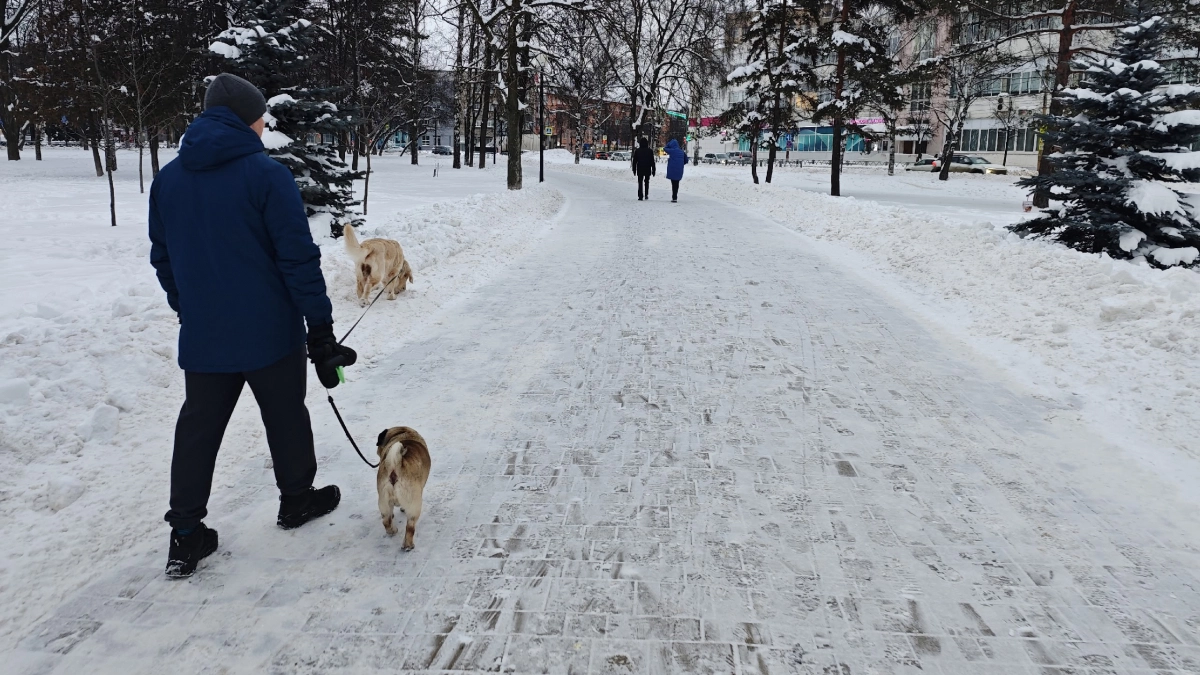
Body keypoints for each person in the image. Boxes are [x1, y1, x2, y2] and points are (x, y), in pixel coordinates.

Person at [149, 73, 357, 578]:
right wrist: (321, 330)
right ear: (248, 118)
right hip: (269, 334)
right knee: (285, 414)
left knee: (197, 429)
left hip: (204, 336)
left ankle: (185, 534)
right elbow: (298, 260)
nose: (265, 127)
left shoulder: (167, 180)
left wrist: (188, 308)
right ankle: (296, 500)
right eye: (262, 118)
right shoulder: (267, 176)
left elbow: (164, 260)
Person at [631, 136, 655, 200]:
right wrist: (653, 170)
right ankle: (646, 194)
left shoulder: (638, 151)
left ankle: (640, 195)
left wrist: (634, 169)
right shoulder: (650, 151)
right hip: (647, 168)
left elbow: (635, 161)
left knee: (640, 182)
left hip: (640, 168)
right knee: (647, 182)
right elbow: (652, 161)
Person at [664, 138, 687, 203]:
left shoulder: (672, 151)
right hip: (679, 169)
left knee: (673, 183)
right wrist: (681, 164)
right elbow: (686, 160)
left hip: (672, 169)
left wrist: (668, 144)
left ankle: (674, 197)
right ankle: (675, 196)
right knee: (677, 183)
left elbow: (665, 148)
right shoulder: (681, 151)